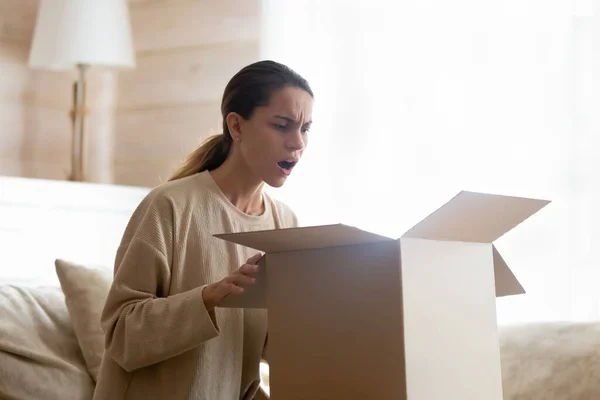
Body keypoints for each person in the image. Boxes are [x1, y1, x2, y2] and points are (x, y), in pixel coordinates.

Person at [92, 60, 314, 400]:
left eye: (305, 128)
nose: (297, 143)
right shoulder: (169, 206)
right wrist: (209, 297)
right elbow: (122, 336)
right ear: (237, 126)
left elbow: (271, 350)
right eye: (283, 125)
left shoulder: (286, 224)